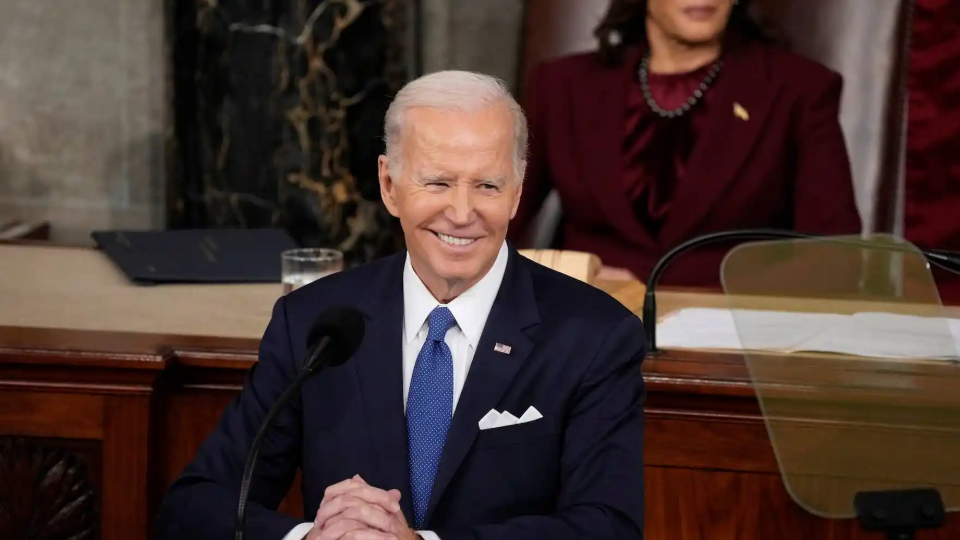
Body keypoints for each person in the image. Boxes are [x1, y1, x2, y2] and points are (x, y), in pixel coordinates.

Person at [155, 71, 647, 540]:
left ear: (517, 193)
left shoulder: (594, 335)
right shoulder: (314, 322)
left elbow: (607, 527)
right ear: (389, 186)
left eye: (488, 185)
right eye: (437, 183)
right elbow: (196, 506)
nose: (460, 212)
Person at [509, 0, 863, 286]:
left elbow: (833, 255)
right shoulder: (562, 86)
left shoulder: (799, 90)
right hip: (585, 323)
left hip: (729, 337)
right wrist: (570, 275)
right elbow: (491, 223)